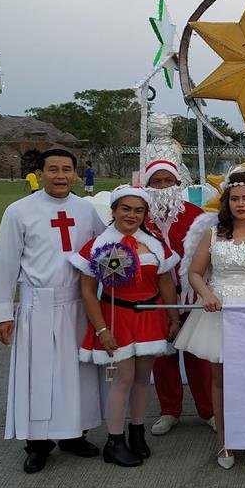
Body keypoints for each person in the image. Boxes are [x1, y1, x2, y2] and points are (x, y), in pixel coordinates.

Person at [0, 148, 105, 473]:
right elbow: (5, 263)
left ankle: (74, 435)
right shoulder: (19, 211)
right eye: (53, 169)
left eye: (67, 169)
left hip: (77, 305)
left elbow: (105, 249)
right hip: (37, 306)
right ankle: (37, 444)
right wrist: (1, 313)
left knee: (78, 375)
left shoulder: (86, 209)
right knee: (39, 377)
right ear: (40, 174)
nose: (60, 176)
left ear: (75, 174)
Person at [173, 168, 245, 469]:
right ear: (226, 202)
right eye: (235, 198)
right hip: (219, 309)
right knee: (220, 379)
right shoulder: (213, 234)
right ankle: (224, 441)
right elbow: (195, 272)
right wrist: (206, 294)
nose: (240, 204)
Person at [72, 186, 179, 467]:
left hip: (149, 317)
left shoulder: (154, 243)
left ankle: (137, 432)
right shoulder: (98, 244)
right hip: (116, 318)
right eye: (126, 209)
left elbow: (166, 282)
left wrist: (173, 317)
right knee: (124, 378)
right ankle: (114, 441)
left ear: (145, 214)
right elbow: (87, 291)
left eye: (138, 210)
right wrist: (101, 330)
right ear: (114, 210)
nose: (131, 215)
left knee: (143, 378)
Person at [141, 159, 215, 436]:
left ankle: (208, 410)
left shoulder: (197, 215)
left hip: (192, 296)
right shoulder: (141, 217)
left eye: (168, 181)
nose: (162, 187)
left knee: (198, 356)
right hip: (157, 298)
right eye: (156, 182)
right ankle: (169, 410)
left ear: (178, 183)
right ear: (147, 186)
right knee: (163, 356)